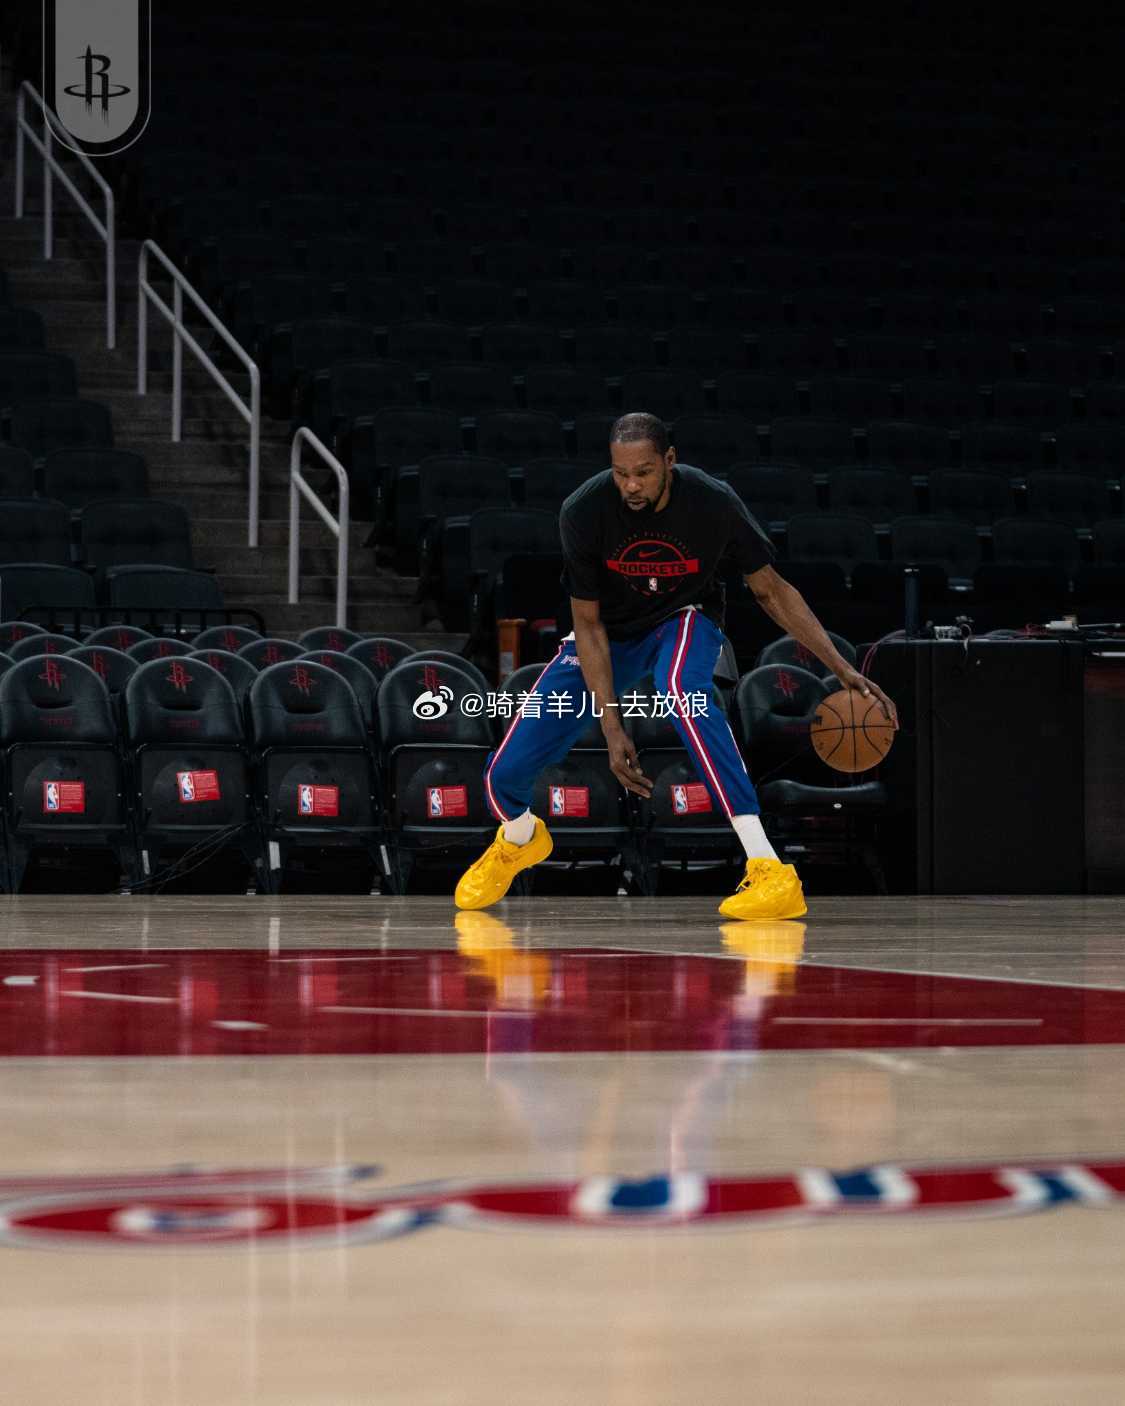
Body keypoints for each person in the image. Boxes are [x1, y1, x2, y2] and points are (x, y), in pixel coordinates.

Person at [454, 412, 898, 920]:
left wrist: (840, 667)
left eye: (643, 472)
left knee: (681, 689)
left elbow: (771, 590)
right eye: (621, 473)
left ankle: (770, 869)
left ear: (669, 460)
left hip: (683, 617)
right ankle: (520, 838)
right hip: (609, 634)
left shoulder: (713, 502)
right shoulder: (583, 510)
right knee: (503, 773)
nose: (631, 485)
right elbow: (588, 624)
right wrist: (612, 726)